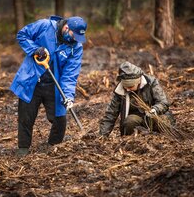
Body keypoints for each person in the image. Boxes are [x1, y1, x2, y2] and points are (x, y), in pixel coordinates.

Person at [10, 15, 87, 156]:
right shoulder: (44, 26)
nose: (75, 39)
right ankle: (23, 148)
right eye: (73, 35)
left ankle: (53, 147)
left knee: (59, 117)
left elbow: (70, 74)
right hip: (33, 80)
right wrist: (35, 49)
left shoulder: (76, 47)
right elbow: (22, 35)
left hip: (54, 85)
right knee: (26, 116)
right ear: (66, 27)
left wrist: (68, 96)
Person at [99, 61, 175, 137]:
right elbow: (111, 114)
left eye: (130, 87)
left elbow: (163, 102)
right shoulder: (120, 91)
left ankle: (160, 138)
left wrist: (155, 110)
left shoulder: (151, 83)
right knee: (130, 122)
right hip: (137, 118)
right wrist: (102, 135)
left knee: (163, 121)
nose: (128, 90)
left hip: (156, 115)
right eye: (125, 86)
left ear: (138, 82)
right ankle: (133, 140)